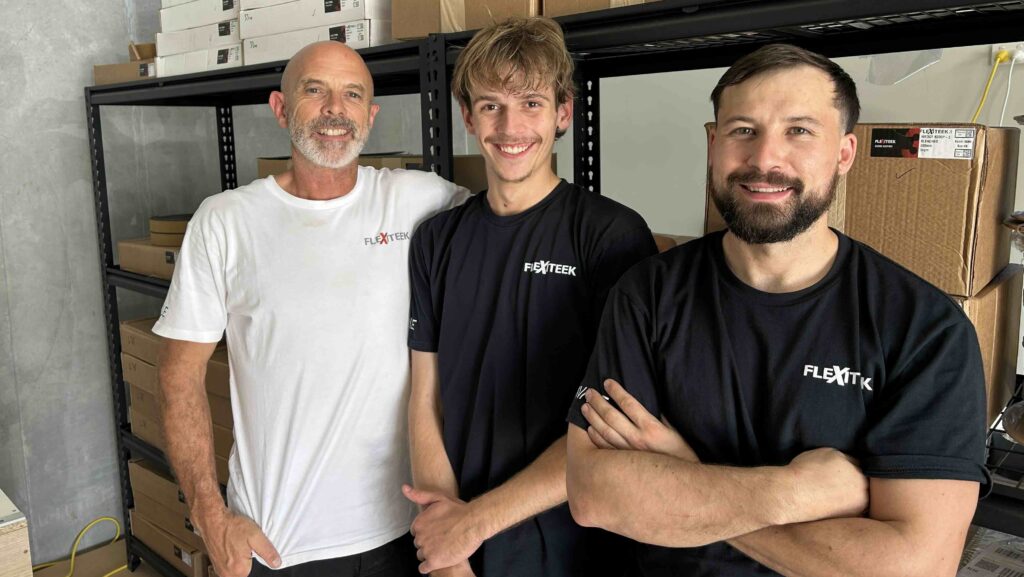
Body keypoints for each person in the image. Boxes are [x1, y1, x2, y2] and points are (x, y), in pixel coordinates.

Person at [565, 43, 989, 577]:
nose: (765, 160)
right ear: (712, 143)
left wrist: (685, 473)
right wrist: (797, 491)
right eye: (743, 130)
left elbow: (914, 567)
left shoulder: (924, 329)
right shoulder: (647, 294)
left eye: (799, 131)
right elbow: (596, 496)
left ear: (844, 153)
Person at [154, 41, 467, 577]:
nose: (334, 110)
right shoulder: (226, 221)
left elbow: (517, 221)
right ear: (280, 108)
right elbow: (178, 377)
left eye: (351, 95)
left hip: (405, 533)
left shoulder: (422, 201)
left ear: (369, 116)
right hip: (279, 546)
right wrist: (210, 514)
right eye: (314, 90)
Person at [403, 16, 658, 577]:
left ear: (565, 112)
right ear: (467, 117)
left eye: (532, 104)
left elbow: (610, 422)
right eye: (491, 105)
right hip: (459, 546)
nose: (510, 125)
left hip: (574, 546)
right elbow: (426, 399)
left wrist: (472, 526)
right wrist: (452, 550)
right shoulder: (435, 240)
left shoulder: (610, 236)